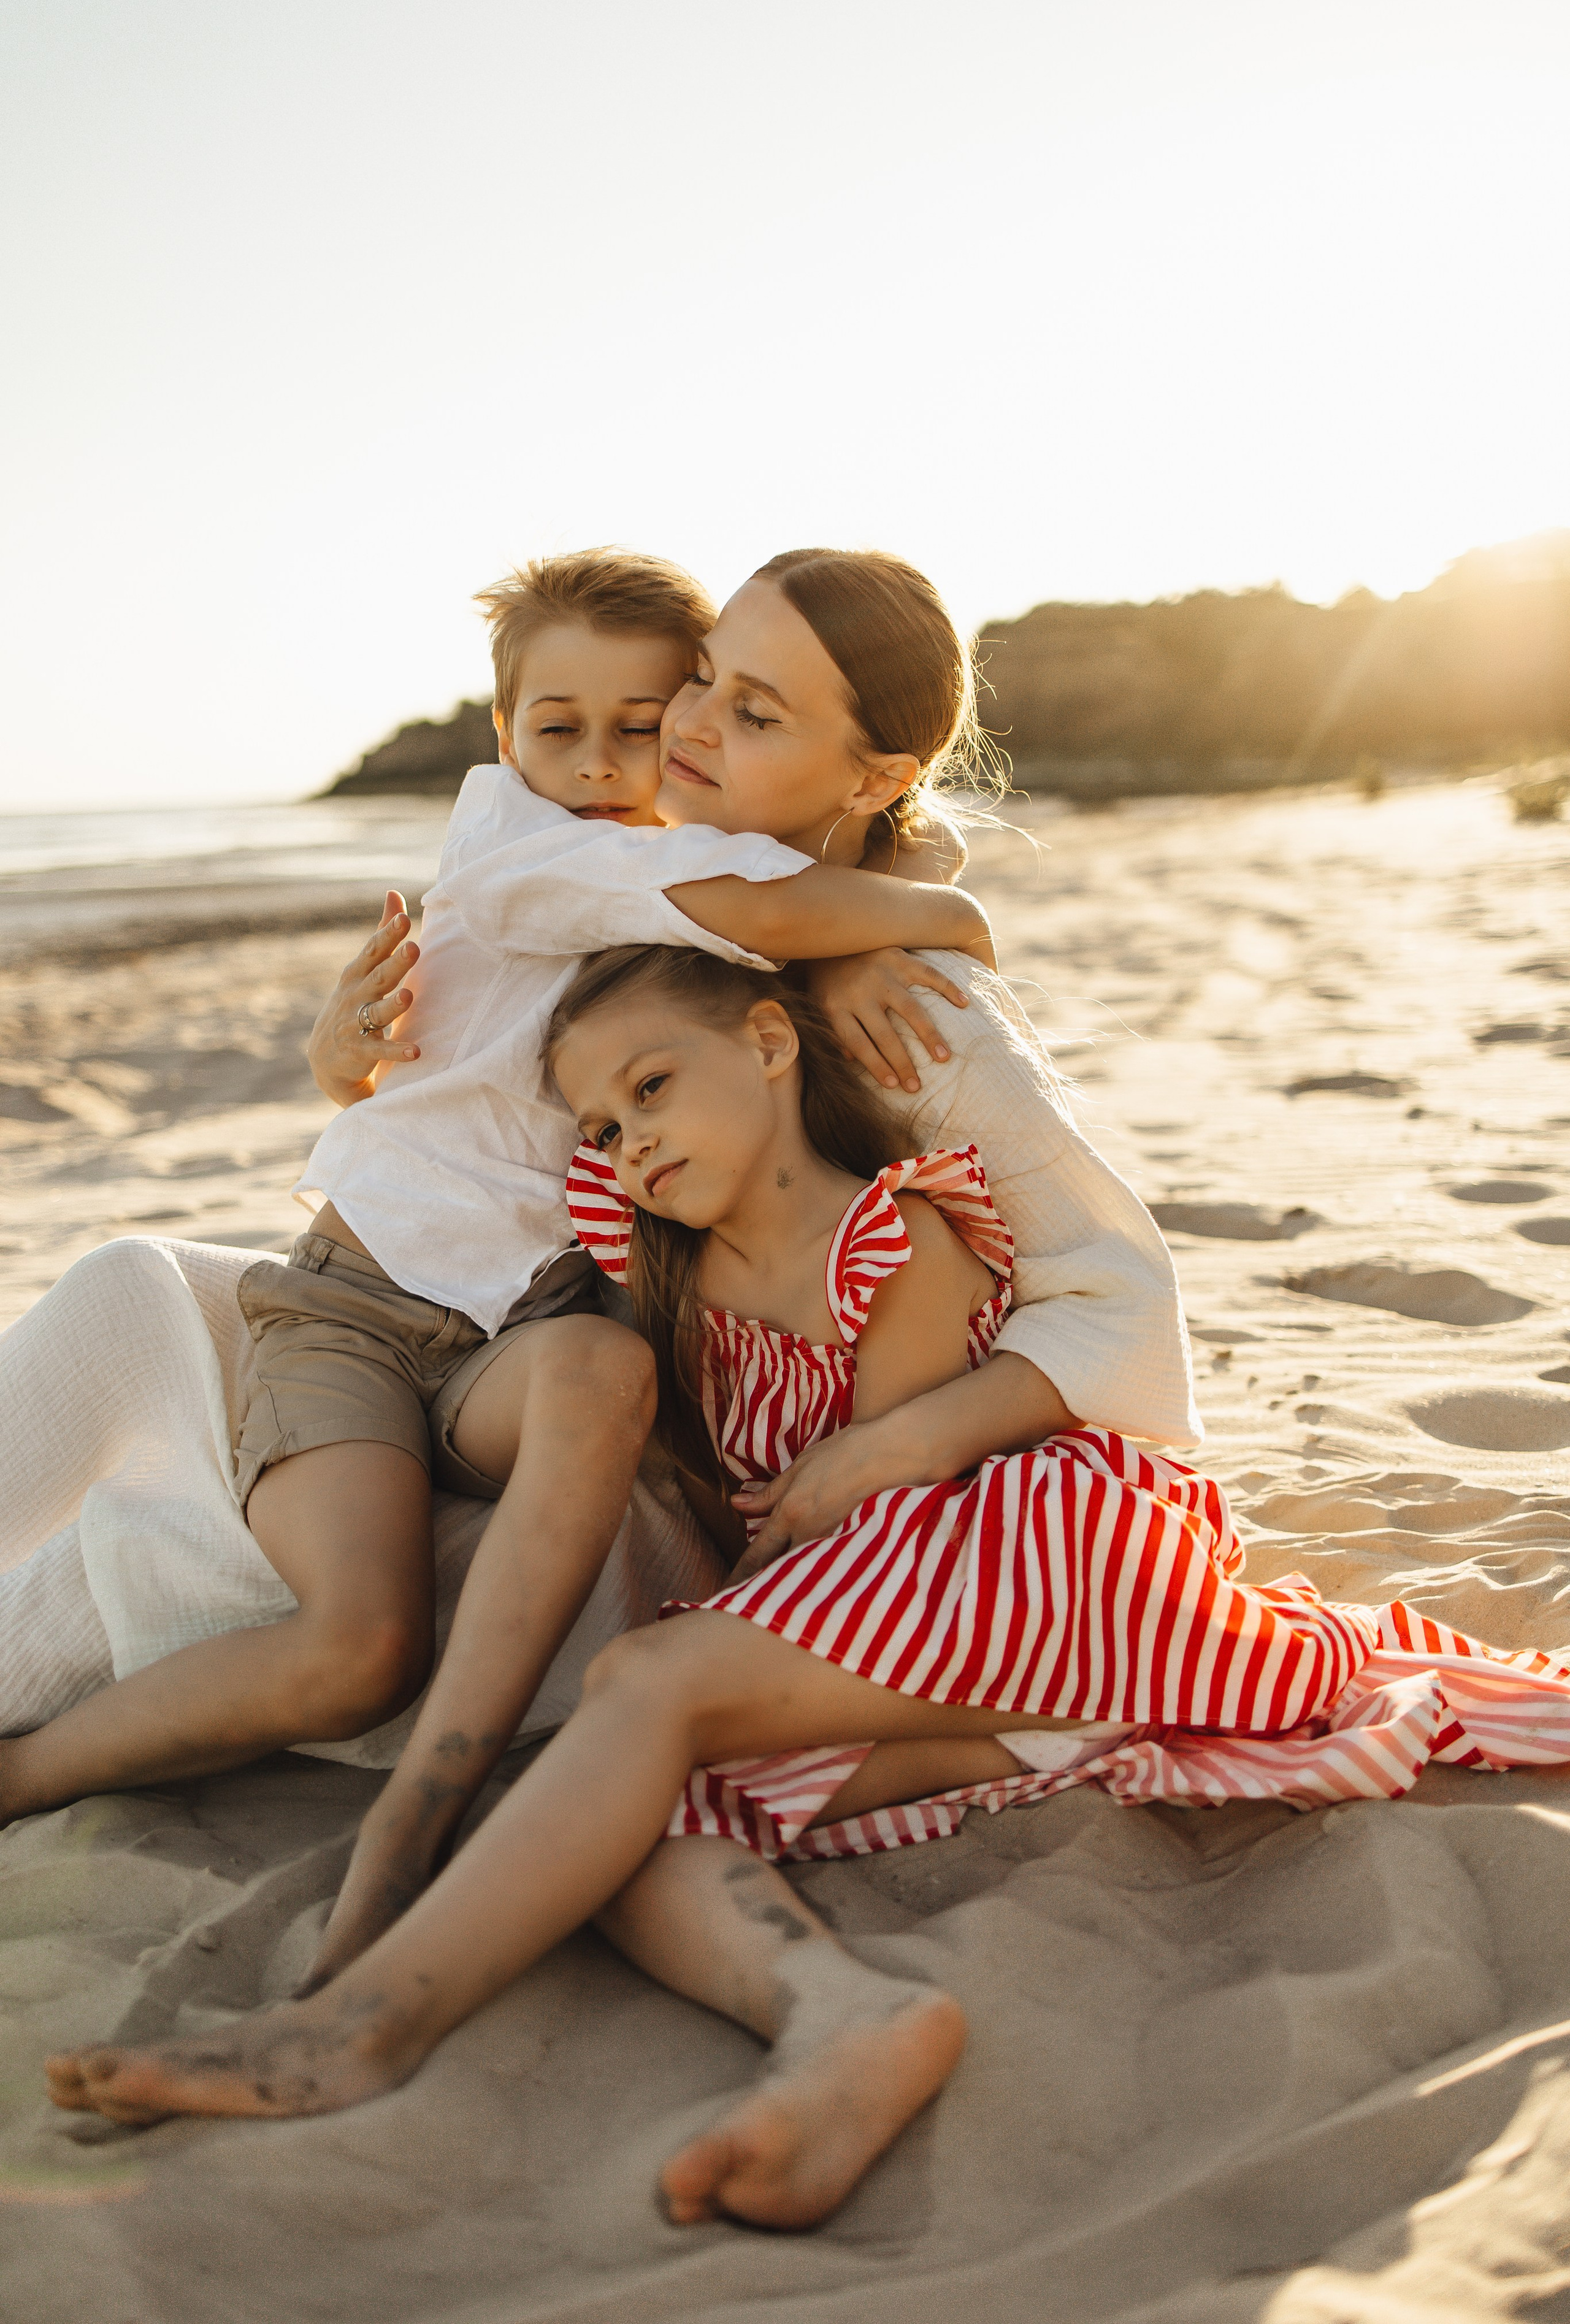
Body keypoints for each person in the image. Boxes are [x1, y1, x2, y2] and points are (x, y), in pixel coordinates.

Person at [47, 944, 1570, 2233]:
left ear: (769, 1042)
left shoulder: (895, 1231)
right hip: (902, 1625)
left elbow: (886, 1505)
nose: (629, 1140)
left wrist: (708, 1634)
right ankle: (838, 2015)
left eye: (652, 1086)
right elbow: (741, 1510)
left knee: (649, 1698)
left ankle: (362, 2029)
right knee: (613, 1805)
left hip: (1029, 1546)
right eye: (600, 1121)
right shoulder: (670, 1286)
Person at [0, 548, 994, 1826]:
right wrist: (913, 923)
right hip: (363, 1304)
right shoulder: (528, 844)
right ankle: (29, 1769)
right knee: (352, 1642)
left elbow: (897, 846)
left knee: (583, 1459)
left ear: (687, 714)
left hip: (520, 1335)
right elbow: (783, 900)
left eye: (637, 728)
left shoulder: (688, 859)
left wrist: (881, 914)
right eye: (554, 728)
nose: (593, 764)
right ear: (500, 735)